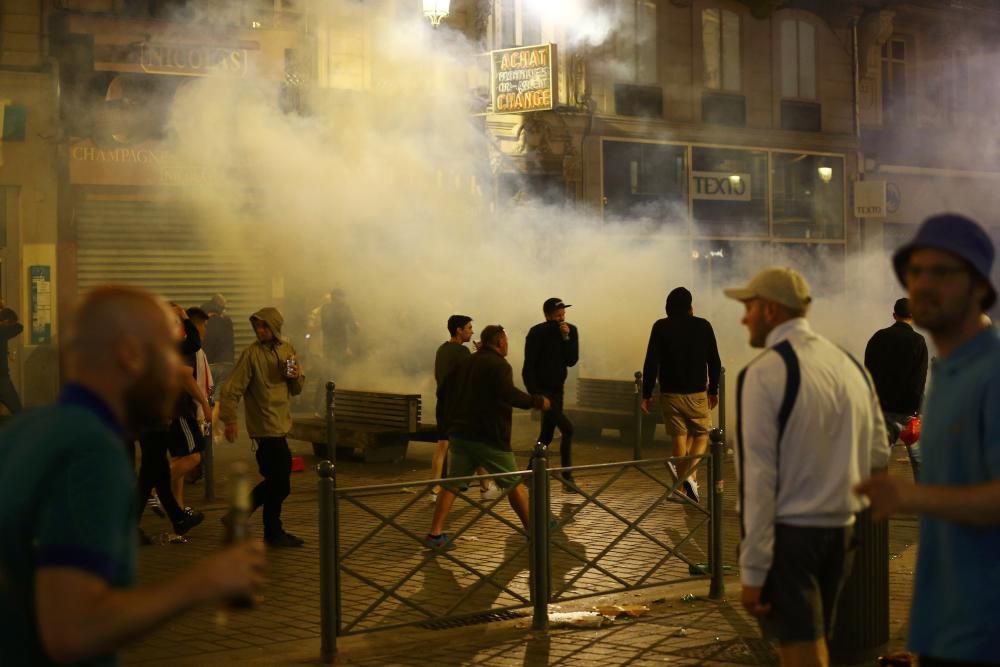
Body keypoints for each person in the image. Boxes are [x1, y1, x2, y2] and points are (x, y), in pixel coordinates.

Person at [0, 286, 265, 666]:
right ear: (129, 352)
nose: (178, 370)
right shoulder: (93, 452)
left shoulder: (24, 431)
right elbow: (75, 631)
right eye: (168, 352)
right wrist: (206, 580)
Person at [723, 267, 889, 667]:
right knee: (815, 642)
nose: (743, 317)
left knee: (800, 651)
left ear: (771, 310)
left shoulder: (762, 374)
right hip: (842, 533)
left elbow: (758, 480)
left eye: (748, 306)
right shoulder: (850, 365)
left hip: (792, 537)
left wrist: (754, 568)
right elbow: (879, 453)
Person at [856, 213, 1000, 666]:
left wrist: (914, 496)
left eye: (941, 272)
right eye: (915, 272)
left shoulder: (991, 372)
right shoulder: (949, 372)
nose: (922, 285)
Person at [426, 325, 551, 549]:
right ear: (500, 341)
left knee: (453, 484)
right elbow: (509, 394)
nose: (508, 345)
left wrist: (453, 415)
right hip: (488, 435)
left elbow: (443, 389)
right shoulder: (499, 365)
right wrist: (538, 402)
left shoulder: (467, 362)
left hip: (461, 433)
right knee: (514, 483)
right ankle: (535, 532)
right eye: (506, 340)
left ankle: (435, 535)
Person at [219, 307, 306, 548]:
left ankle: (251, 521)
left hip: (281, 425)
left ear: (275, 327)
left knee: (277, 482)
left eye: (265, 326)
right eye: (257, 326)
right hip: (264, 429)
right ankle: (271, 530)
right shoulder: (251, 355)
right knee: (279, 483)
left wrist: (295, 375)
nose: (260, 330)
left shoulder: (287, 349)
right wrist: (230, 420)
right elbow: (231, 389)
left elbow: (297, 388)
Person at [640, 287, 721, 503]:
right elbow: (714, 361)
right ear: (690, 307)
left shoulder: (660, 327)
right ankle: (688, 482)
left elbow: (651, 362)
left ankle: (682, 488)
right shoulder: (703, 326)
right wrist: (714, 390)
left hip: (670, 394)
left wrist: (646, 393)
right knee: (702, 434)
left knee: (679, 437)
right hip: (696, 393)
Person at [136, 304, 207, 537]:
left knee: (152, 473)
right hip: (157, 417)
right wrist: (184, 317)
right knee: (155, 474)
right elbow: (193, 345)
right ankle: (175, 518)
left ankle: (176, 519)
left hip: (149, 417)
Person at [432, 315, 496, 502]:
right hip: (460, 407)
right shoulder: (462, 351)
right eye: (468, 328)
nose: (471, 331)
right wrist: (483, 353)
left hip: (443, 404)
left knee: (442, 446)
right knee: (474, 444)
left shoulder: (442, 349)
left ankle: (434, 490)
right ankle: (485, 488)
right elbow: (473, 374)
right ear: (459, 330)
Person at [863, 297, 928, 480]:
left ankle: (878, 503)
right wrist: (916, 411)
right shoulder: (918, 341)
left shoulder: (877, 338)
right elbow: (919, 380)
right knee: (919, 459)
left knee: (879, 460)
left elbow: (868, 373)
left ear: (894, 315)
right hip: (908, 411)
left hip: (881, 410)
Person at [522, 298, 579, 491]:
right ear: (547, 316)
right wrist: (535, 395)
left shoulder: (571, 330)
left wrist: (566, 338)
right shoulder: (537, 332)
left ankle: (530, 472)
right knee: (568, 429)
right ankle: (567, 477)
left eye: (563, 314)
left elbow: (571, 360)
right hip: (543, 391)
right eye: (557, 316)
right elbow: (528, 365)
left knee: (546, 434)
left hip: (558, 389)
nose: (561, 319)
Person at [201, 294, 234, 408]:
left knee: (207, 399)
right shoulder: (226, 321)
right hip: (225, 364)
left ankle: (208, 424)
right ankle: (212, 425)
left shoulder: (201, 321)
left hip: (207, 364)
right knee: (219, 400)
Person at [0, 305, 24, 414]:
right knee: (17, 410)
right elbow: (19, 327)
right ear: (5, 321)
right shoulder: (3, 332)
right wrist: (3, 307)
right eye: (9, 323)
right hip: (2, 379)